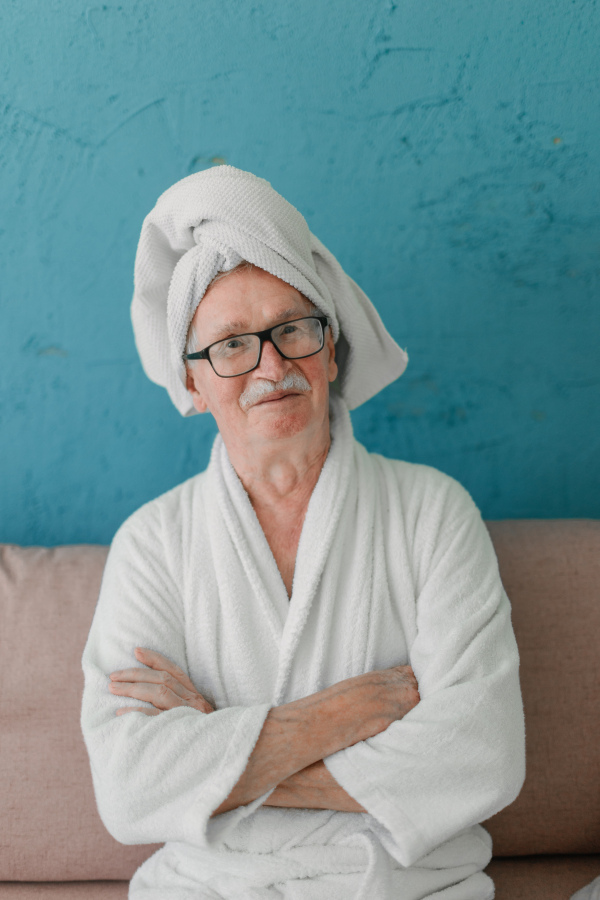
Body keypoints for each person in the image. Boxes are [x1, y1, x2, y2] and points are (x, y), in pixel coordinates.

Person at [80, 165, 526, 900]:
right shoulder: (153, 543)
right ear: (192, 381)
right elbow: (130, 789)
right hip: (209, 888)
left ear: (332, 348)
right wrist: (328, 719)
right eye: (231, 344)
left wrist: (220, 746)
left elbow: (484, 754)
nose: (272, 366)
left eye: (293, 329)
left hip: (407, 887)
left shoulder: (432, 512)